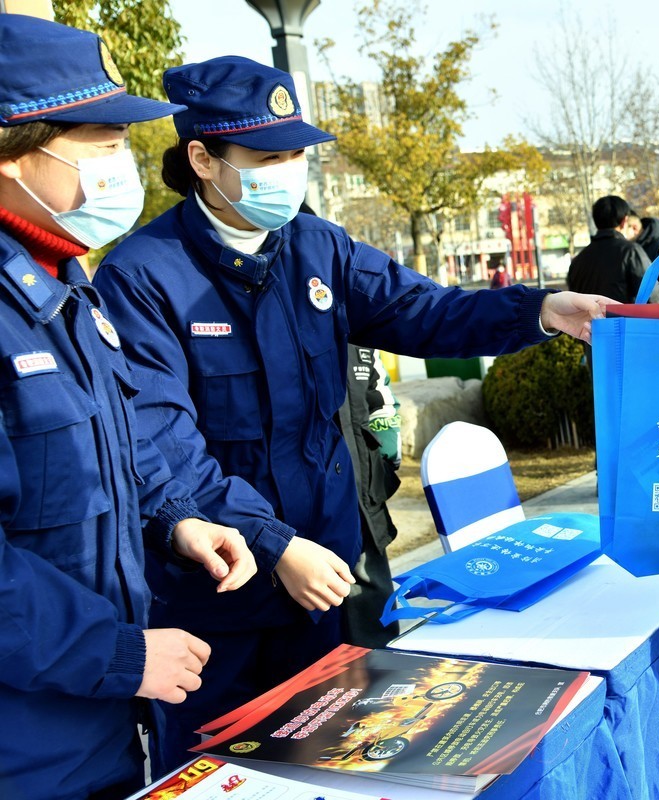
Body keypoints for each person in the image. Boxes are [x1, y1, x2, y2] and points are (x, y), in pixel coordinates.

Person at [90, 55, 610, 772]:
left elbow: (424, 311)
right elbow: (163, 448)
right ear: (204, 160)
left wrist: (542, 309)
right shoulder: (144, 277)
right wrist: (275, 547)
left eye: (298, 153)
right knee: (224, 774)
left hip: (325, 587)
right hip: (219, 607)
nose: (291, 171)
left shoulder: (317, 247)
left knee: (344, 764)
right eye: (269, 156)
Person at [0, 17, 256, 800]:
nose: (124, 166)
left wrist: (178, 519)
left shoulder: (62, 287)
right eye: (98, 142)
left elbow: (110, 452)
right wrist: (116, 653)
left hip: (97, 728)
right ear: (13, 149)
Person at [337, 345, 403, 648]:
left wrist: (385, 460)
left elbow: (380, 398)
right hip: (304, 505)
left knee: (373, 607)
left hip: (363, 493)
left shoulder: (357, 328)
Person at [566, 195, 649, 304]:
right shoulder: (631, 251)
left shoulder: (578, 260)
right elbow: (650, 292)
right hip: (624, 320)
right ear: (624, 221)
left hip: (588, 320)